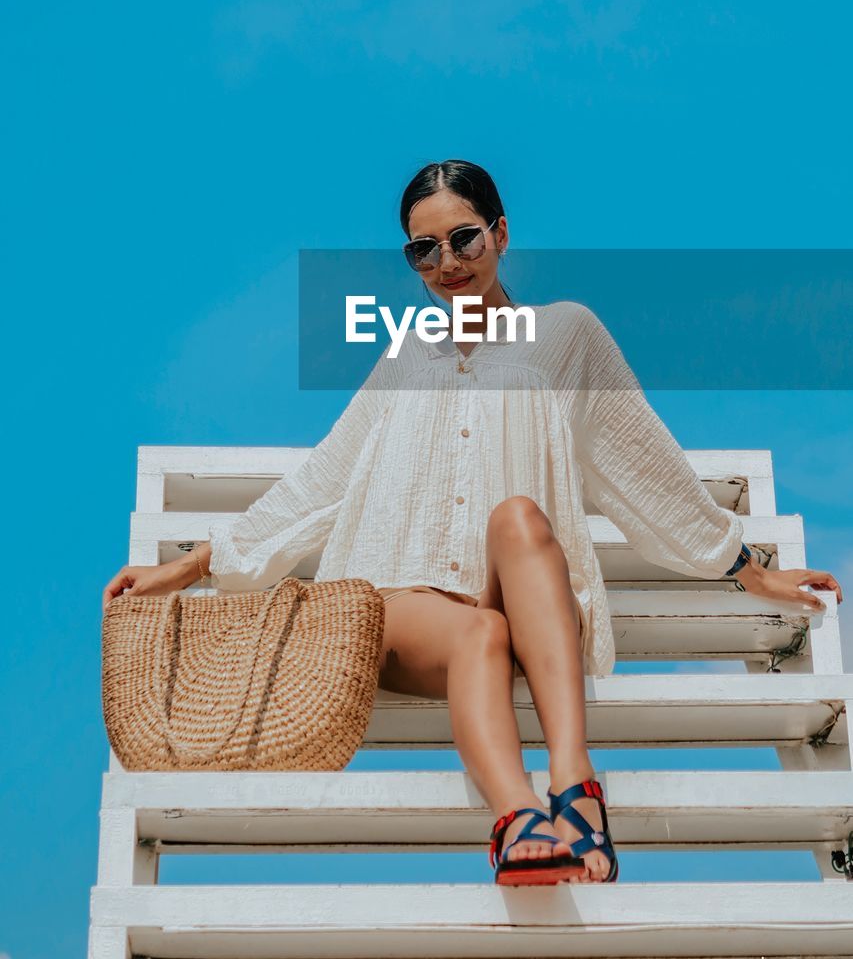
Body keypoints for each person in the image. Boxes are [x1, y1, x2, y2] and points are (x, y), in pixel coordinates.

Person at [103, 158, 843, 888]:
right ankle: (519, 816)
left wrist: (746, 567)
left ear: (500, 232)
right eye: (423, 249)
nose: (446, 263)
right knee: (477, 633)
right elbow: (323, 481)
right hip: (399, 611)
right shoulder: (403, 356)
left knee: (520, 519)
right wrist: (195, 564)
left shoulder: (565, 333)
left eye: (463, 239)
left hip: (520, 611)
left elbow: (639, 459)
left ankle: (572, 783)